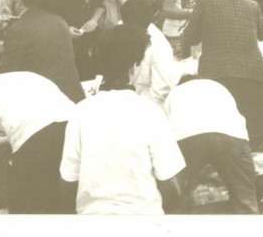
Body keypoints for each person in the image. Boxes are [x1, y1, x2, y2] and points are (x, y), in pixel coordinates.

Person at [59, 25, 185, 214]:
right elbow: (171, 186)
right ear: (136, 65)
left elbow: (68, 183)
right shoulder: (150, 113)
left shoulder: (81, 112)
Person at [182, 0, 263, 142]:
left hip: (217, 74)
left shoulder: (204, 2)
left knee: (222, 130)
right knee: (254, 133)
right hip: (252, 73)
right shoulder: (253, 5)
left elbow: (190, 37)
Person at [0, 69, 76, 213]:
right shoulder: (28, 76)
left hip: (37, 139)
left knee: (25, 207)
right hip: (76, 125)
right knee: (67, 201)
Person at [164, 78, 258, 214]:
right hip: (231, 135)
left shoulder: (175, 92)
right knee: (244, 195)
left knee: (179, 197)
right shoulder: (219, 87)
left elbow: (165, 131)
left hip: (186, 136)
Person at [0, 0, 85, 103]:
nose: (5, 2)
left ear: (17, 0)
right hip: (72, 99)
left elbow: (4, 76)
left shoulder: (16, 30)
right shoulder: (59, 21)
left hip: (43, 105)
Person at [121, 0, 180, 106]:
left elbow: (160, 93)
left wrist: (130, 103)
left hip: (146, 106)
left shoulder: (159, 46)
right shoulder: (123, 29)